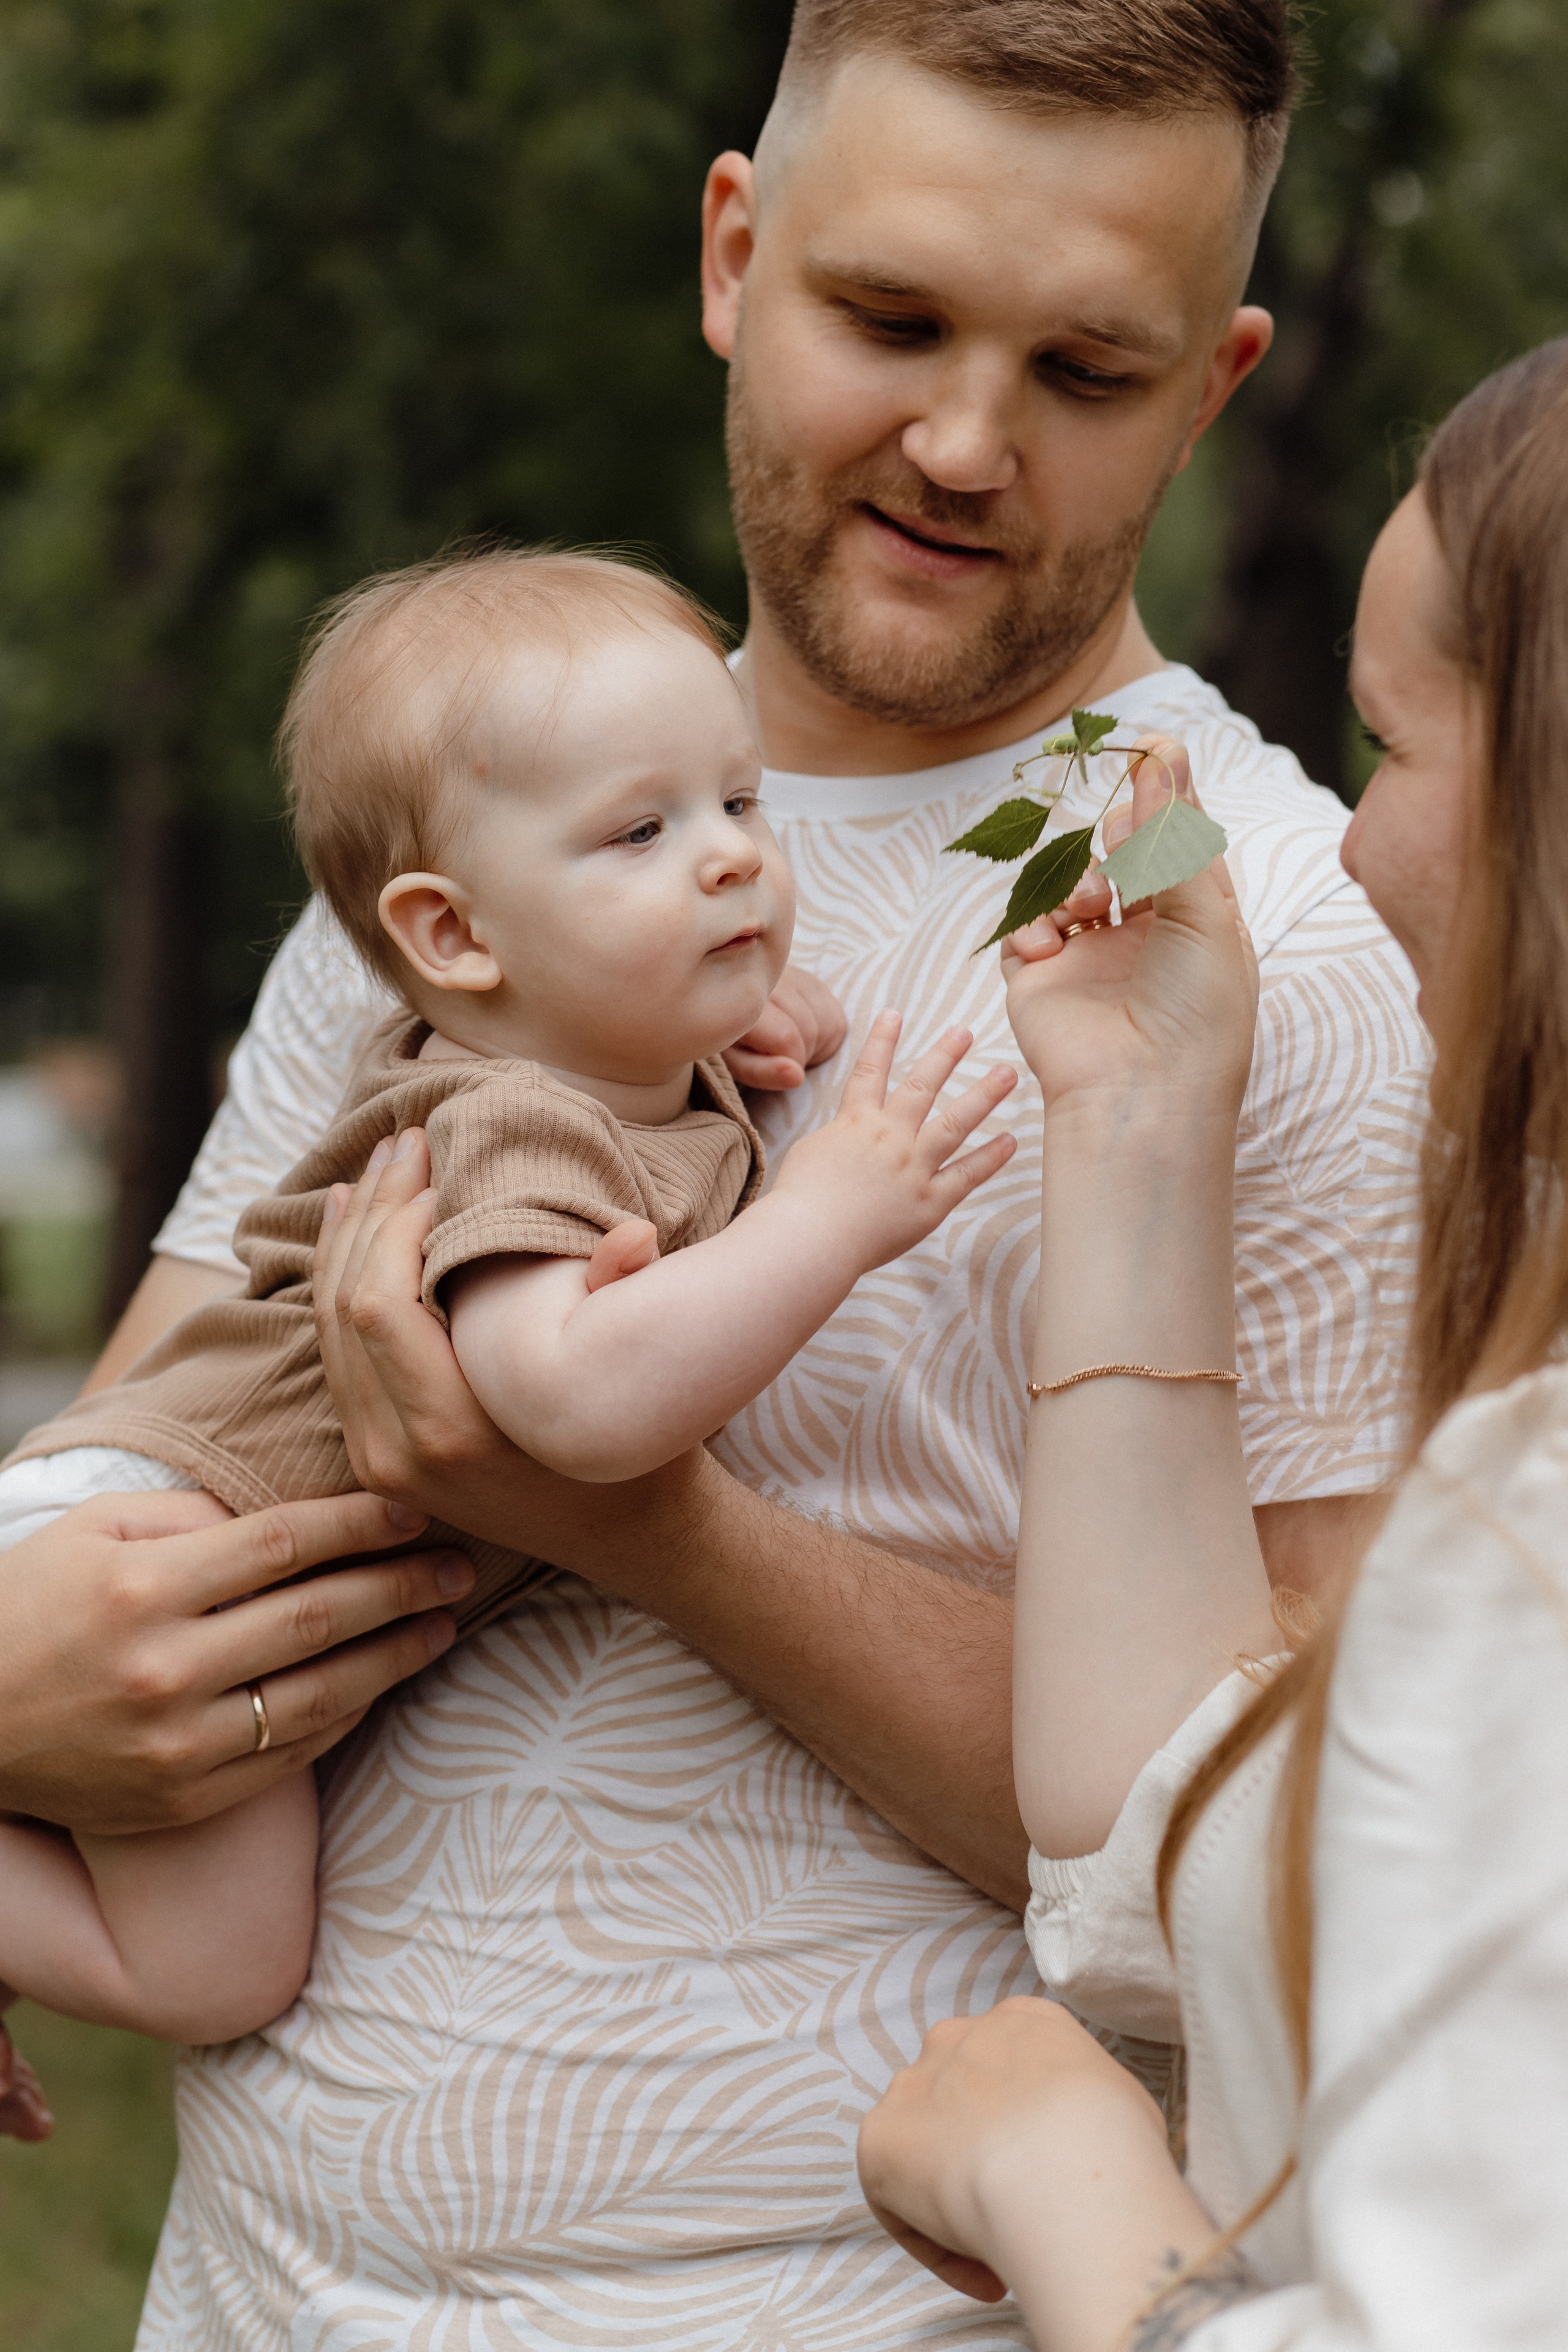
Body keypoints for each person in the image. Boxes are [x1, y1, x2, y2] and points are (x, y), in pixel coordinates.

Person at [7, 2, 1430, 2342]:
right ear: (731, 253)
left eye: (1086, 372)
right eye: (889, 319)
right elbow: (164, 1420)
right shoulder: (482, 809)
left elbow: (1295, 1872)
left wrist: (654, 1525)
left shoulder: (1264, 939)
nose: (965, 440)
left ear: (1217, 386)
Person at [0, 547, 1012, 2048]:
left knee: (220, 1959)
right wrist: (826, 1217)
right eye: (638, 832)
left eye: (739, 805)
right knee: (215, 1977)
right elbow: (574, 1401)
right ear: (456, 938)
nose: (730, 858)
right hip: (147, 1538)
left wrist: (721, 1007)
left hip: (217, 1560)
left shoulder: (589, 1052)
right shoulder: (512, 1121)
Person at [856, 339, 1568, 2350]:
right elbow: (1179, 1834)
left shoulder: (1535, 1532)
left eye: (1398, 748)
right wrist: (1144, 1118)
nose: (1353, 845)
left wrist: (1068, 2188)